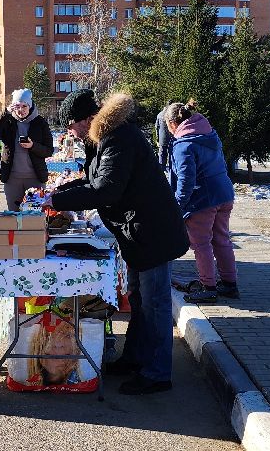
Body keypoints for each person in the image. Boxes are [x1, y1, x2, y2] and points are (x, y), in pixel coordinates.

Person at [49, 90, 188, 395]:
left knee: (155, 305)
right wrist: (58, 193)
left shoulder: (118, 138)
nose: (71, 132)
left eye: (72, 124)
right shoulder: (104, 138)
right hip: (137, 231)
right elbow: (93, 179)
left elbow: (107, 189)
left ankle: (157, 373)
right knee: (138, 299)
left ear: (87, 119)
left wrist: (58, 199)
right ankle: (136, 358)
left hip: (152, 231)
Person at [164, 100, 238, 304]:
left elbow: (186, 181)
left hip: (202, 200)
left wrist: (178, 206)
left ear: (172, 124)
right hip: (224, 193)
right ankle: (230, 284)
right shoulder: (209, 134)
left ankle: (208, 286)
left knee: (201, 244)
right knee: (221, 239)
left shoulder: (183, 144)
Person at [0, 88, 53, 211]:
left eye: (24, 106)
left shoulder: (40, 122)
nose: (21, 110)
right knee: (14, 216)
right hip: (12, 179)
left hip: (35, 178)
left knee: (34, 216)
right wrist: (5, 113)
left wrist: (32, 146)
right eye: (17, 106)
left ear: (30, 106)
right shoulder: (8, 121)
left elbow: (49, 150)